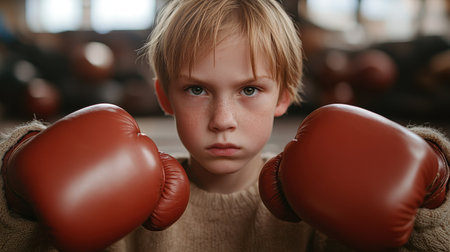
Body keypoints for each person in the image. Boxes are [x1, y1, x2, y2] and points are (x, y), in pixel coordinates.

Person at [0, 0, 449, 251]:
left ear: (284, 97)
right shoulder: (123, 195)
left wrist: (435, 188)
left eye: (250, 89)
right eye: (196, 90)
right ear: (164, 98)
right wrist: (18, 190)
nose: (222, 121)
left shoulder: (318, 201)